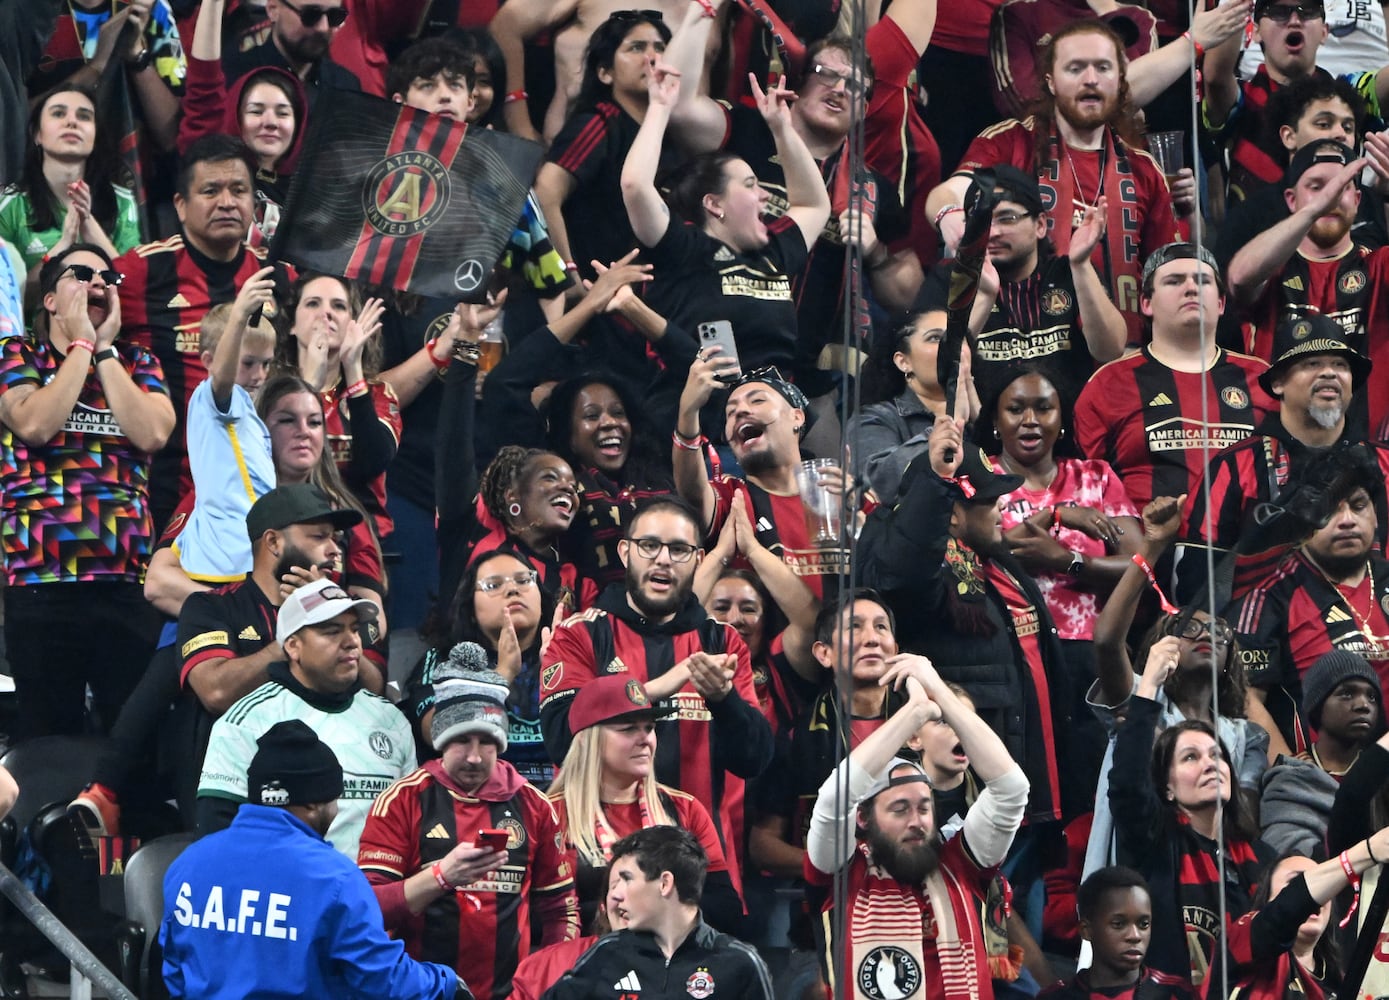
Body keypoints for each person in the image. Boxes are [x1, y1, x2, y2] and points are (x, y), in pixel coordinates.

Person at [663, 5, 926, 405]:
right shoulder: (747, 133)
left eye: (855, 86)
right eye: (827, 75)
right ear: (799, 82)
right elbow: (679, 108)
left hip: (808, 375)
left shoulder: (872, 189)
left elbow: (908, 299)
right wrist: (701, 12)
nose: (840, 89)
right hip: (712, 347)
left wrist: (875, 252)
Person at [539, 496, 774, 885]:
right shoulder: (580, 634)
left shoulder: (723, 642)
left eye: (679, 549)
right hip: (596, 870)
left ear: (699, 559)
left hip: (703, 871)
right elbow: (563, 739)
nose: (663, 559)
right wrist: (666, 684)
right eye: (649, 545)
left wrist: (724, 700)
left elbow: (755, 760)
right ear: (625, 552)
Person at [857, 410, 1070, 823]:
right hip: (972, 795)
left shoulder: (997, 561)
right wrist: (936, 485)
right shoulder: (927, 578)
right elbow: (905, 574)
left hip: (1034, 776)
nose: (1001, 506)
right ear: (951, 514)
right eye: (989, 500)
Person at [0, 243, 173, 739]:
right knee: (49, 744)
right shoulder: (17, 354)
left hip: (125, 587)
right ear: (50, 299)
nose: (99, 284)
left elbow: (153, 434)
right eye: (81, 274)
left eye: (108, 278)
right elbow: (33, 423)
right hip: (41, 587)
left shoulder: (137, 363)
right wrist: (78, 347)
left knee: (132, 746)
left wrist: (103, 352)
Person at [160, 720, 466, 1000]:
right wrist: (445, 983)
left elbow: (173, 968)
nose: (335, 810)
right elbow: (383, 980)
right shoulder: (334, 879)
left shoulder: (188, 864)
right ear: (313, 802)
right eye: (334, 800)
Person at [928, 20, 1179, 341]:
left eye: (1103, 68)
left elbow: (1167, 271)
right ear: (1051, 82)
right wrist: (948, 214)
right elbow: (948, 193)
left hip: (1119, 354)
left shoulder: (1144, 168)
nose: (1091, 80)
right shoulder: (1009, 142)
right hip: (1024, 350)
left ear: (1119, 80)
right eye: (1075, 68)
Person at [803, 652, 1029, 1000]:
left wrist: (937, 689)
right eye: (899, 809)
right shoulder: (841, 875)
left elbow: (1012, 788)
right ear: (863, 818)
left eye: (924, 808)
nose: (916, 821)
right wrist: (915, 714)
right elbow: (834, 799)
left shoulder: (962, 865)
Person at [357, 655, 579, 1000]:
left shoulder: (536, 806)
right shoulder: (401, 800)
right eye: (463, 740)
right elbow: (367, 905)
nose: (475, 756)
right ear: (441, 739)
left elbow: (560, 909)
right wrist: (441, 878)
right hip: (417, 993)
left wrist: (548, 984)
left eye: (487, 741)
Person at [116, 134, 296, 529]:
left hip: (256, 490)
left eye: (239, 190)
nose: (227, 202)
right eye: (210, 191)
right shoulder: (140, 273)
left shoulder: (278, 278)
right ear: (180, 205)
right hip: (162, 490)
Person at [621, 61, 830, 379]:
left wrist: (782, 129)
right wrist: (660, 108)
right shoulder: (683, 247)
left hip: (772, 408)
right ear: (714, 204)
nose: (764, 197)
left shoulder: (772, 251)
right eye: (750, 185)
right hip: (697, 408)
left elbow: (814, 205)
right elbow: (635, 186)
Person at [988, 366, 1142, 788]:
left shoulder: (1096, 476)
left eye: (1044, 408)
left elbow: (1139, 565)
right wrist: (1055, 514)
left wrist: (1068, 561)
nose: (1030, 420)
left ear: (1062, 419)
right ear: (996, 421)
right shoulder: (980, 479)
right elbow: (992, 552)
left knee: (1095, 781)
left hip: (1094, 655)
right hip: (1014, 652)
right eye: (1016, 409)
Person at [1174, 313, 1389, 604]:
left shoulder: (1384, 463)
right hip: (1261, 638)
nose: (1329, 373)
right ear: (1278, 383)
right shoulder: (1234, 466)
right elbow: (1193, 583)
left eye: (1340, 364)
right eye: (1311, 364)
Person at [196, 577, 414, 855]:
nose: (352, 642)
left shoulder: (391, 720)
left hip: (382, 893)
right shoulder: (245, 722)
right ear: (293, 646)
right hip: (289, 891)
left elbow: (411, 828)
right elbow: (218, 841)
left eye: (355, 630)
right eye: (332, 631)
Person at [1108, 639, 1271, 991]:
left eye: (1217, 755)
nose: (1210, 764)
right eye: (1190, 758)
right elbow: (1127, 784)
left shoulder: (1261, 857)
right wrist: (1148, 684)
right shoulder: (1154, 844)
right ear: (1166, 788)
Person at [1074, 242, 1276, 512]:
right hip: (1149, 548)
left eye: (1202, 281)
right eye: (1174, 281)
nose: (1191, 288)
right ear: (1146, 303)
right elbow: (1087, 488)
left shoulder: (1263, 378)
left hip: (1246, 548)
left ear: (1221, 303)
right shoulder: (1109, 384)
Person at [547, 674, 742, 928]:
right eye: (628, 729)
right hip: (583, 959)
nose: (645, 740)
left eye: (649, 728)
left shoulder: (685, 809)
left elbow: (726, 907)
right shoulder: (549, 813)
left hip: (671, 961)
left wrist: (648, 909)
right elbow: (538, 913)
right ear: (587, 740)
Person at [925, 166, 1126, 405]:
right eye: (982, 220)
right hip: (977, 432)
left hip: (1067, 429)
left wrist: (1081, 264)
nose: (993, 232)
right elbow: (934, 372)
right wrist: (983, 296)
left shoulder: (1068, 272)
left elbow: (1110, 349)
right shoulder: (949, 280)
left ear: (1040, 225)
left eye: (1007, 218)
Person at [1230, 456, 1389, 751]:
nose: (1347, 520)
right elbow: (1245, 700)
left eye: (1358, 506)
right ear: (1303, 518)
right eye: (1329, 510)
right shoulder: (1269, 595)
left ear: (1376, 515)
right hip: (1321, 782)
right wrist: (1290, 775)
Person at [675, 364, 853, 597]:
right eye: (730, 412)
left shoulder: (838, 489)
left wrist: (862, 516)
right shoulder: (734, 499)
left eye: (757, 401)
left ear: (796, 417)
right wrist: (688, 413)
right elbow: (692, 492)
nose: (740, 411)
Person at [541, 826, 774, 1000]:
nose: (616, 895)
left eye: (627, 880)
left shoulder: (740, 964)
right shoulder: (607, 952)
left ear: (665, 883)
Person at [536, 10, 676, 286]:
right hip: (596, 294)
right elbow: (544, 192)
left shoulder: (664, 130)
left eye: (660, 48)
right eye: (636, 48)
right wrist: (568, 276)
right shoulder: (598, 123)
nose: (652, 57)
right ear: (605, 72)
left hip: (645, 293)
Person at [402, 549, 563, 785]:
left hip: (565, 796)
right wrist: (502, 676)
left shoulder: (572, 655)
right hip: (479, 799)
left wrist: (567, 679)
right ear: (471, 608)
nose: (512, 589)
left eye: (524, 580)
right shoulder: (445, 661)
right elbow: (438, 732)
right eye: (493, 585)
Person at [1204, 0, 1389, 203]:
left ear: (1324, 32)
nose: (1294, 20)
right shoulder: (1242, 99)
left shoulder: (1348, 96)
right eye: (1278, 11)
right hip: (1255, 232)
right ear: (1255, 31)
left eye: (1308, 11)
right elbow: (1215, 78)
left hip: (1338, 231)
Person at [1227, 139, 1389, 364]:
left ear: (1357, 200)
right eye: (1316, 187)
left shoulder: (1378, 266)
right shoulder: (1271, 269)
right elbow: (1239, 277)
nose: (1330, 197)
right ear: (1291, 200)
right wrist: (1315, 208)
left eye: (1341, 188)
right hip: (1278, 399)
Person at [276, 272, 398, 540]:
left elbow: (372, 462)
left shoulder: (376, 393)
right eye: (313, 304)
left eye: (339, 306)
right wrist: (310, 383)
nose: (326, 314)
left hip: (363, 541)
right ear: (292, 325)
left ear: (352, 325)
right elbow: (273, 465)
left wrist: (353, 367)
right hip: (289, 532)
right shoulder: (271, 392)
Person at [180, 0, 307, 245]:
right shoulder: (212, 163)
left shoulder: (311, 191)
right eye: (256, 111)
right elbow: (203, 83)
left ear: (299, 123)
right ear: (236, 117)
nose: (270, 123)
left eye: (282, 113)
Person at [0, 84, 140, 285]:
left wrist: (90, 227)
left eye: (84, 116)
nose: (72, 122)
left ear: (95, 136)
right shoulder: (10, 204)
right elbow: (10, 300)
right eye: (58, 114)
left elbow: (134, 291)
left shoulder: (122, 201)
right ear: (37, 134)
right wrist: (64, 244)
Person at [846, 305, 979, 505]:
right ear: (903, 361)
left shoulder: (996, 413)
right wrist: (950, 420)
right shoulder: (875, 419)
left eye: (959, 337)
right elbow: (875, 486)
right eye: (935, 337)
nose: (951, 345)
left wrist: (983, 419)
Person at [1260, 650, 1385, 857]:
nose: (1363, 705)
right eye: (1347, 693)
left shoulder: (1381, 777)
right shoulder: (1291, 779)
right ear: (1318, 705)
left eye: (1372, 697)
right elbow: (1285, 850)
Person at [1040, 866, 1194, 1000]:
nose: (1135, 936)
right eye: (1119, 924)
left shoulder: (1176, 993)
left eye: (1143, 924)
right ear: (1086, 930)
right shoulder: (1056, 997)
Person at [222, 0, 362, 96]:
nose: (323, 28)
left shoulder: (346, 85)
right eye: (310, 15)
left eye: (334, 16)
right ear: (273, 9)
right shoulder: (234, 75)